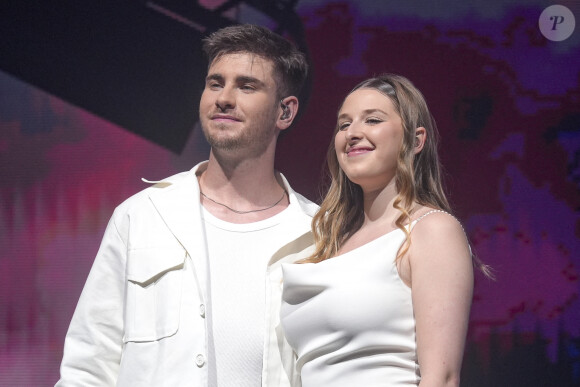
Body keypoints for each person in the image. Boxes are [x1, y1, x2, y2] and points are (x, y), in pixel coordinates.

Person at [56, 24, 317, 387]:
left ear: (285, 113)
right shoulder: (143, 215)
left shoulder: (318, 233)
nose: (224, 98)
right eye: (215, 83)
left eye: (246, 85)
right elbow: (89, 364)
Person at [281, 74, 489, 386]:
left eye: (372, 120)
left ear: (415, 140)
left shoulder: (431, 231)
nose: (352, 133)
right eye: (343, 124)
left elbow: (442, 378)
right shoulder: (327, 243)